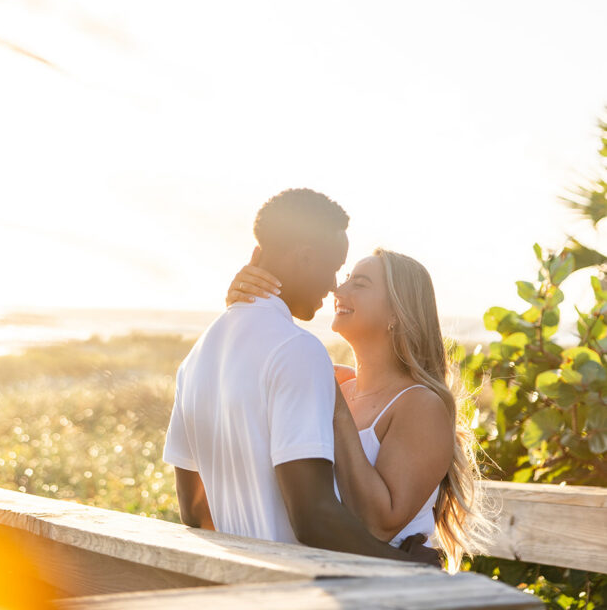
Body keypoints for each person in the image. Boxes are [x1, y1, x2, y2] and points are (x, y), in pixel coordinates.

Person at [163, 188, 432, 562]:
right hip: (303, 589)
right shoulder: (298, 351)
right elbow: (312, 517)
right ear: (306, 258)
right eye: (336, 266)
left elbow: (194, 510)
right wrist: (409, 564)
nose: (335, 284)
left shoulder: (195, 358)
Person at [227, 247, 489, 572]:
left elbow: (380, 525)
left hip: (394, 588)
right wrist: (245, 308)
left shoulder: (421, 404)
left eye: (360, 283)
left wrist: (336, 408)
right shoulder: (335, 381)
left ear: (397, 313)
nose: (338, 289)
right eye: (346, 278)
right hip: (325, 573)